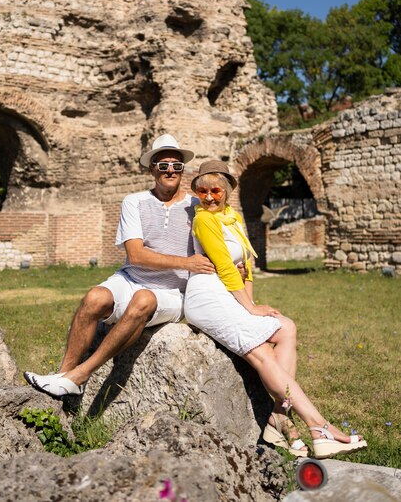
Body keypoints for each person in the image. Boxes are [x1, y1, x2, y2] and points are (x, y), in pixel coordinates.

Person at [184, 160, 367, 460]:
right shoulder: (205, 220)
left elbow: (247, 266)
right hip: (207, 295)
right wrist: (250, 308)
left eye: (215, 190)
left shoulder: (231, 217)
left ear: (227, 190)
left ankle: (278, 416)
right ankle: (318, 426)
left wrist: (251, 302)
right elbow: (226, 267)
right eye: (202, 191)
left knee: (287, 327)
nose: (208, 197)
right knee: (261, 350)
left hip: (228, 292)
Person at [24, 134, 217, 398]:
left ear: (183, 170)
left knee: (143, 300)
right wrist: (187, 262)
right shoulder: (134, 201)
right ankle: (62, 375)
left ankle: (81, 375)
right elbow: (136, 256)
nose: (170, 170)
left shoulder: (197, 206)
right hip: (131, 278)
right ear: (152, 169)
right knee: (94, 298)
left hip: (172, 291)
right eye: (163, 165)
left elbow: (221, 242)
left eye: (177, 165)